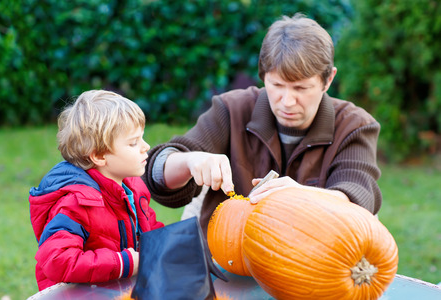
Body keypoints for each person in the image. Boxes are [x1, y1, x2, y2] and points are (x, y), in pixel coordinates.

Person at [143, 14, 382, 236]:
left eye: (301, 88)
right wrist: (188, 161)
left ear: (328, 79)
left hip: (314, 263)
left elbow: (359, 199)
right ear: (263, 75)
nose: (287, 101)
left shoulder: (354, 125)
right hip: (224, 264)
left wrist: (303, 196)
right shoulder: (231, 110)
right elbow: (157, 174)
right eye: (277, 85)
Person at [29, 90, 164, 291]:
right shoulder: (76, 203)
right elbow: (56, 260)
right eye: (133, 143)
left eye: (142, 138)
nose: (145, 147)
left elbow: (150, 231)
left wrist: (167, 248)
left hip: (118, 290)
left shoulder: (133, 189)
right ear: (99, 156)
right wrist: (123, 263)